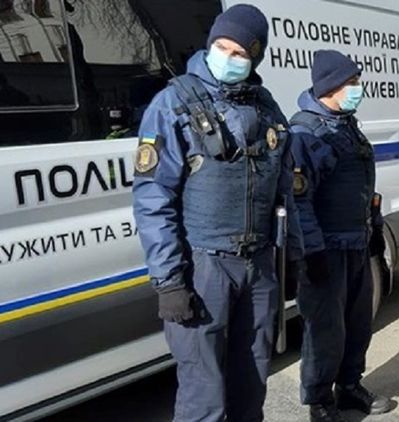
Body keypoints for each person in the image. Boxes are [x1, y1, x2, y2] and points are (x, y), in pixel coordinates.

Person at [132, 5, 304, 422]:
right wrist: (169, 280)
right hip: (203, 267)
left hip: (258, 265)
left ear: (255, 58)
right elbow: (153, 199)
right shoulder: (173, 103)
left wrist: (294, 254)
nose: (228, 57)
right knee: (204, 396)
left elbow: (283, 188)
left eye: (240, 52)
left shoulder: (267, 107)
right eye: (222, 47)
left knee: (252, 382)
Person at [289, 50, 390, 422]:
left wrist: (374, 228)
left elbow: (363, 185)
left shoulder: (345, 125)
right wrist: (311, 253)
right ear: (330, 86)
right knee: (325, 330)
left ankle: (349, 386)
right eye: (352, 82)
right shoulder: (305, 133)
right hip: (326, 250)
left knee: (358, 323)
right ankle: (319, 401)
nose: (358, 88)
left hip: (356, 242)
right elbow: (299, 202)